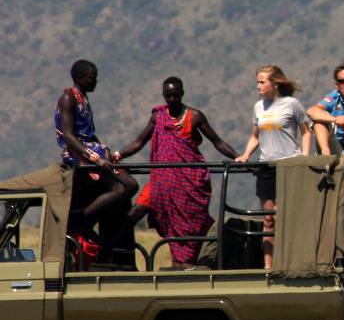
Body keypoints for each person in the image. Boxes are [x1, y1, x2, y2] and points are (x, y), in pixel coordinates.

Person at [116, 77, 239, 268]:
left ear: (182, 94)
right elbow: (138, 142)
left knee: (191, 225)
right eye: (168, 96)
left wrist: (238, 157)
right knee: (136, 212)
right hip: (161, 182)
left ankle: (185, 264)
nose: (171, 99)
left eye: (175, 95)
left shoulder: (195, 116)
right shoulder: (158, 117)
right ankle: (121, 259)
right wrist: (117, 155)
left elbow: (218, 142)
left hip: (189, 183)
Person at [55, 60, 138, 268]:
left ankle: (90, 218)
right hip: (78, 153)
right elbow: (69, 135)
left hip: (91, 149)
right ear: (80, 78)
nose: (96, 81)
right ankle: (83, 218)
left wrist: (105, 152)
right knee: (127, 185)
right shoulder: (68, 98)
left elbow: (89, 133)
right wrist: (96, 158)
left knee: (130, 185)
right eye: (93, 77)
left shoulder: (83, 98)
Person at [235, 65, 311, 269]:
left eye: (262, 82)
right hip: (266, 167)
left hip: (289, 167)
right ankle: (268, 267)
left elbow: (306, 132)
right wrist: (245, 155)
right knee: (268, 219)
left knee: (285, 217)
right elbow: (255, 136)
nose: (258, 86)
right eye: (257, 82)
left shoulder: (292, 104)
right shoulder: (259, 107)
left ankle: (292, 264)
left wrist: (304, 158)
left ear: (274, 83)